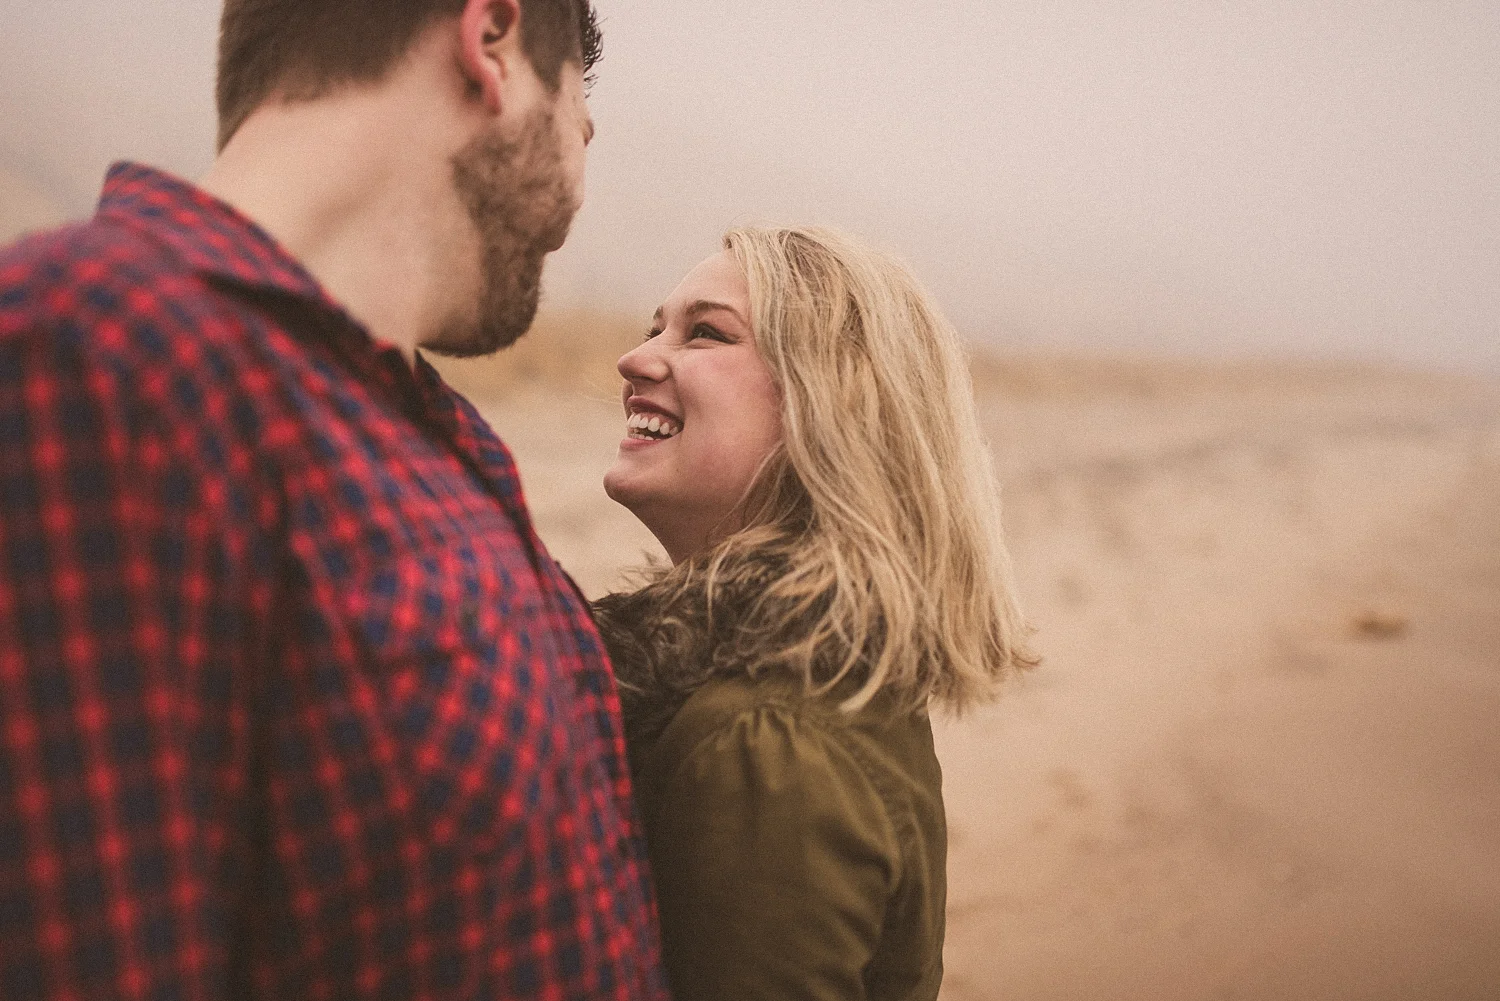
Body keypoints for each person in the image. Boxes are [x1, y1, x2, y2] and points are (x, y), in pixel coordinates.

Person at [0, 1, 668, 998]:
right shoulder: (90, 351)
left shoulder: (429, 430)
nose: (581, 161)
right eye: (581, 104)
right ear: (491, 40)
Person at [592, 226, 1037, 1001]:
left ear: (826, 402)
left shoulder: (768, 744)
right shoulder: (816, 676)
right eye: (653, 328)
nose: (636, 359)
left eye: (705, 333)